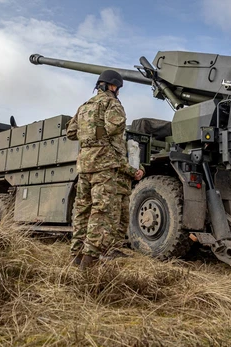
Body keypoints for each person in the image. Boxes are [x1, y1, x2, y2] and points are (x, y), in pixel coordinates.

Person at [67, 69, 128, 269]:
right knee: (101, 210)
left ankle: (75, 254)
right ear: (112, 86)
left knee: (82, 209)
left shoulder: (84, 107)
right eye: (117, 87)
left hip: (84, 164)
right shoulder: (112, 103)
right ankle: (89, 259)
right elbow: (115, 128)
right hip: (103, 164)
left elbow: (70, 132)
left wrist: (89, 135)